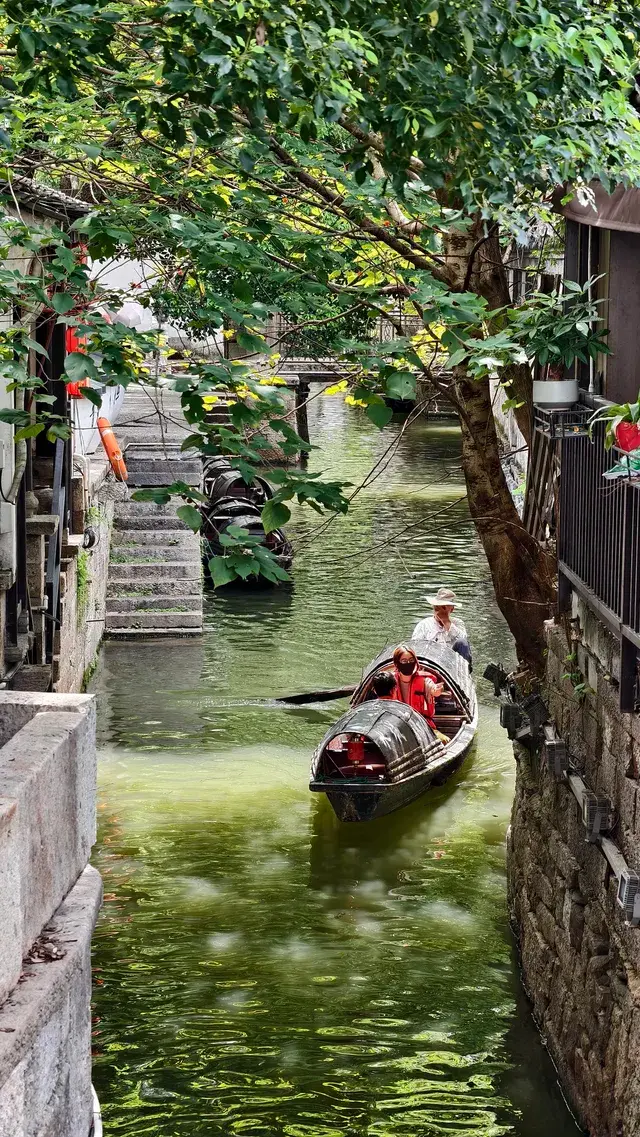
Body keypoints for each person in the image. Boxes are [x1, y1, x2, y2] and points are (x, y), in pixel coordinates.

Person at [412, 587, 472, 667]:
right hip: (431, 662)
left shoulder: (458, 623)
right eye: (437, 607)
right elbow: (416, 647)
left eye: (443, 607)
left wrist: (446, 622)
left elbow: (464, 643)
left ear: (451, 609)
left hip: (453, 664)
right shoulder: (424, 625)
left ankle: (464, 674)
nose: (439, 611)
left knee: (462, 642)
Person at [392, 645, 443, 723]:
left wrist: (438, 690)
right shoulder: (391, 681)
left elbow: (433, 689)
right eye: (404, 661)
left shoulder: (424, 681)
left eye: (411, 660)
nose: (408, 663)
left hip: (422, 725)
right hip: (398, 724)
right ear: (396, 664)